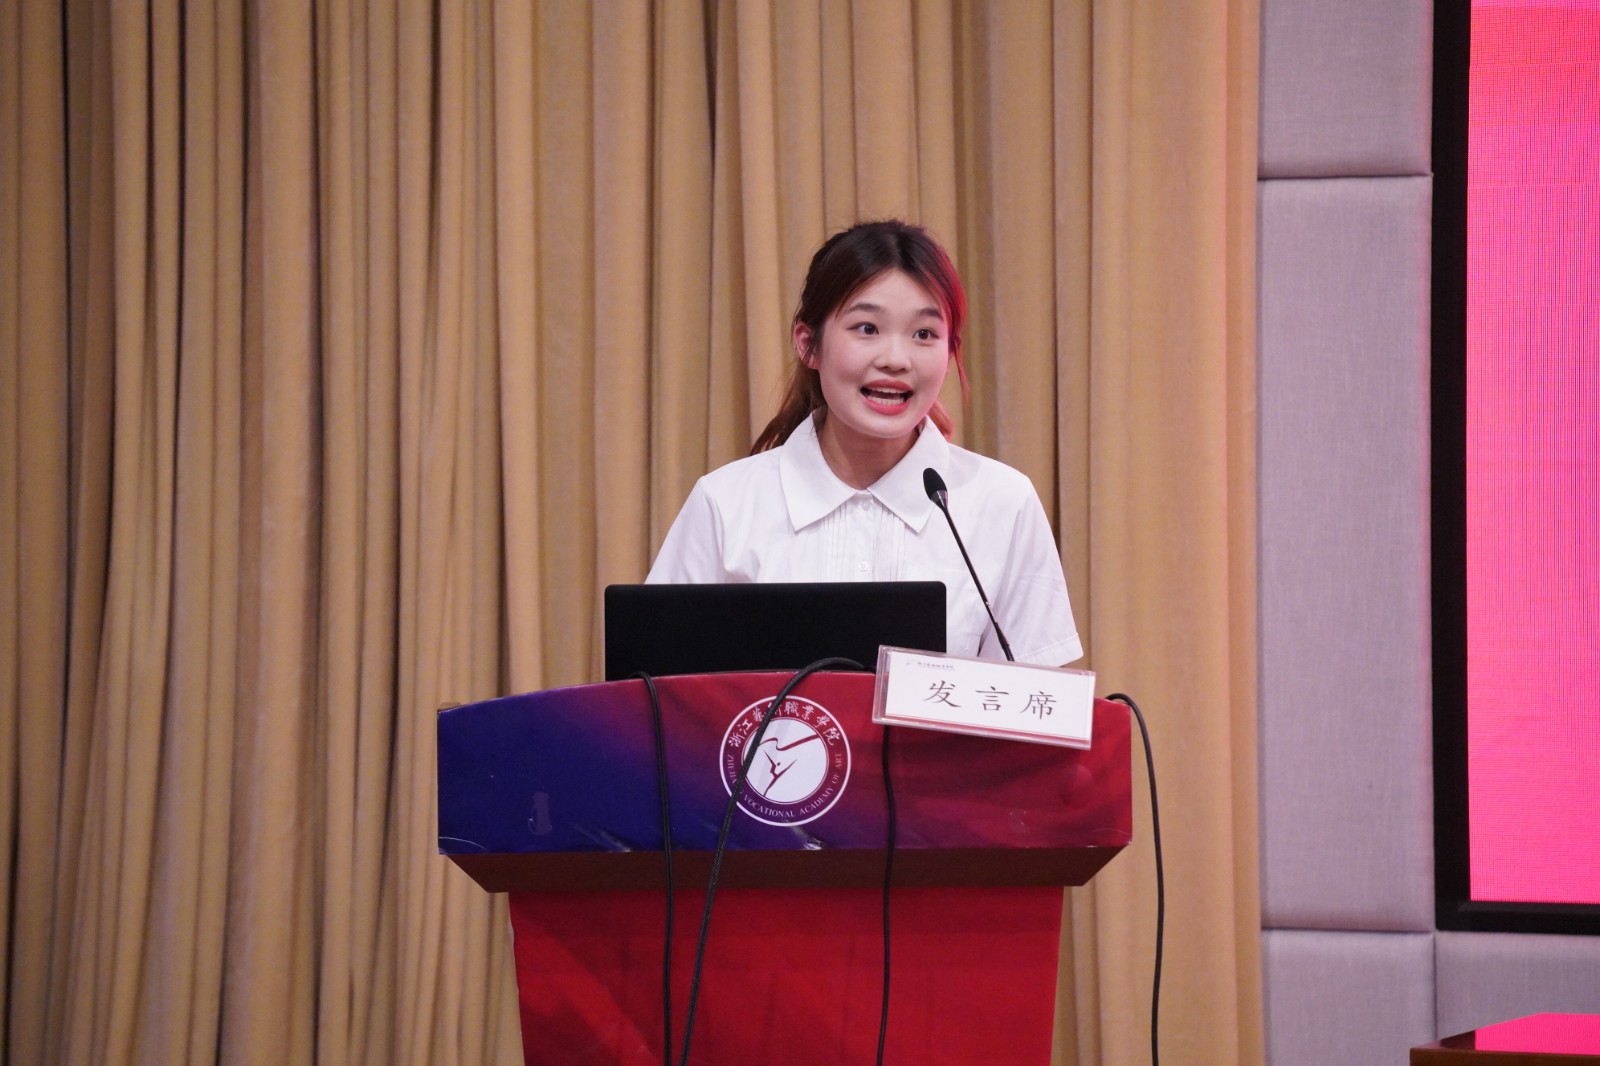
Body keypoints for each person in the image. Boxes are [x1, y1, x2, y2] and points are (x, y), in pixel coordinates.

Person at [647, 220, 1082, 666]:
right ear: (808, 344)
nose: (895, 360)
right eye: (867, 328)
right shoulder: (726, 504)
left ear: (950, 351)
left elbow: (1034, 698)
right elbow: (655, 687)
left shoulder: (1003, 503)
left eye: (924, 334)